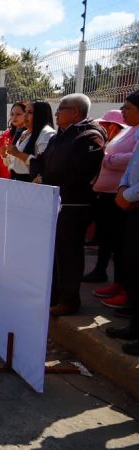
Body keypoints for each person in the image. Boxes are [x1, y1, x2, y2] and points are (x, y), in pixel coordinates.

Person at [30, 93, 106, 317]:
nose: (56, 112)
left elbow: (78, 172)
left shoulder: (90, 137)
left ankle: (69, 300)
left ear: (75, 112)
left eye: (61, 108)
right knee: (54, 252)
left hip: (74, 205)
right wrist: (40, 175)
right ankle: (53, 296)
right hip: (54, 202)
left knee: (69, 253)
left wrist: (46, 178)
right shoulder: (59, 136)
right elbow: (38, 160)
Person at [86, 108, 137, 308]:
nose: (103, 128)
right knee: (107, 238)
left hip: (122, 198)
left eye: (106, 125)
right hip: (109, 194)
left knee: (121, 244)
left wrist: (106, 159)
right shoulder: (127, 133)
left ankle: (125, 288)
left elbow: (130, 160)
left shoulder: (131, 134)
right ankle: (112, 279)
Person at [104, 90, 139, 355]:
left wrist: (127, 194)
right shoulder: (135, 134)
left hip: (133, 201)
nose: (123, 112)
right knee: (129, 260)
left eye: (128, 107)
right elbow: (131, 170)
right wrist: (124, 189)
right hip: (129, 202)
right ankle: (134, 324)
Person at [4, 101, 55, 181]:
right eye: (25, 111)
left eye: (30, 112)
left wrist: (18, 153)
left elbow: (42, 163)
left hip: (31, 182)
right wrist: (5, 155)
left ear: (40, 115)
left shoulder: (47, 133)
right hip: (15, 180)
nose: (25, 115)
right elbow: (14, 163)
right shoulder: (24, 132)